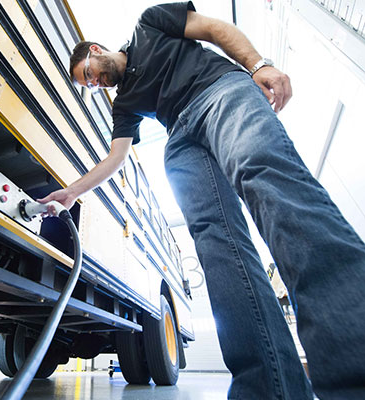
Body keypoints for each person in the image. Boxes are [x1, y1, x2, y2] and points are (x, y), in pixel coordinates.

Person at [39, 2, 365, 399]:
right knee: (217, 246)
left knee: (264, 177)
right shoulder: (123, 104)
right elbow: (116, 157)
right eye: (89, 87)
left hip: (221, 92)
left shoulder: (149, 24)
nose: (95, 84)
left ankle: (353, 369)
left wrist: (258, 64)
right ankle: (267, 388)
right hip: (181, 137)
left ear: (93, 50)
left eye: (89, 75)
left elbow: (213, 29)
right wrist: (71, 193)